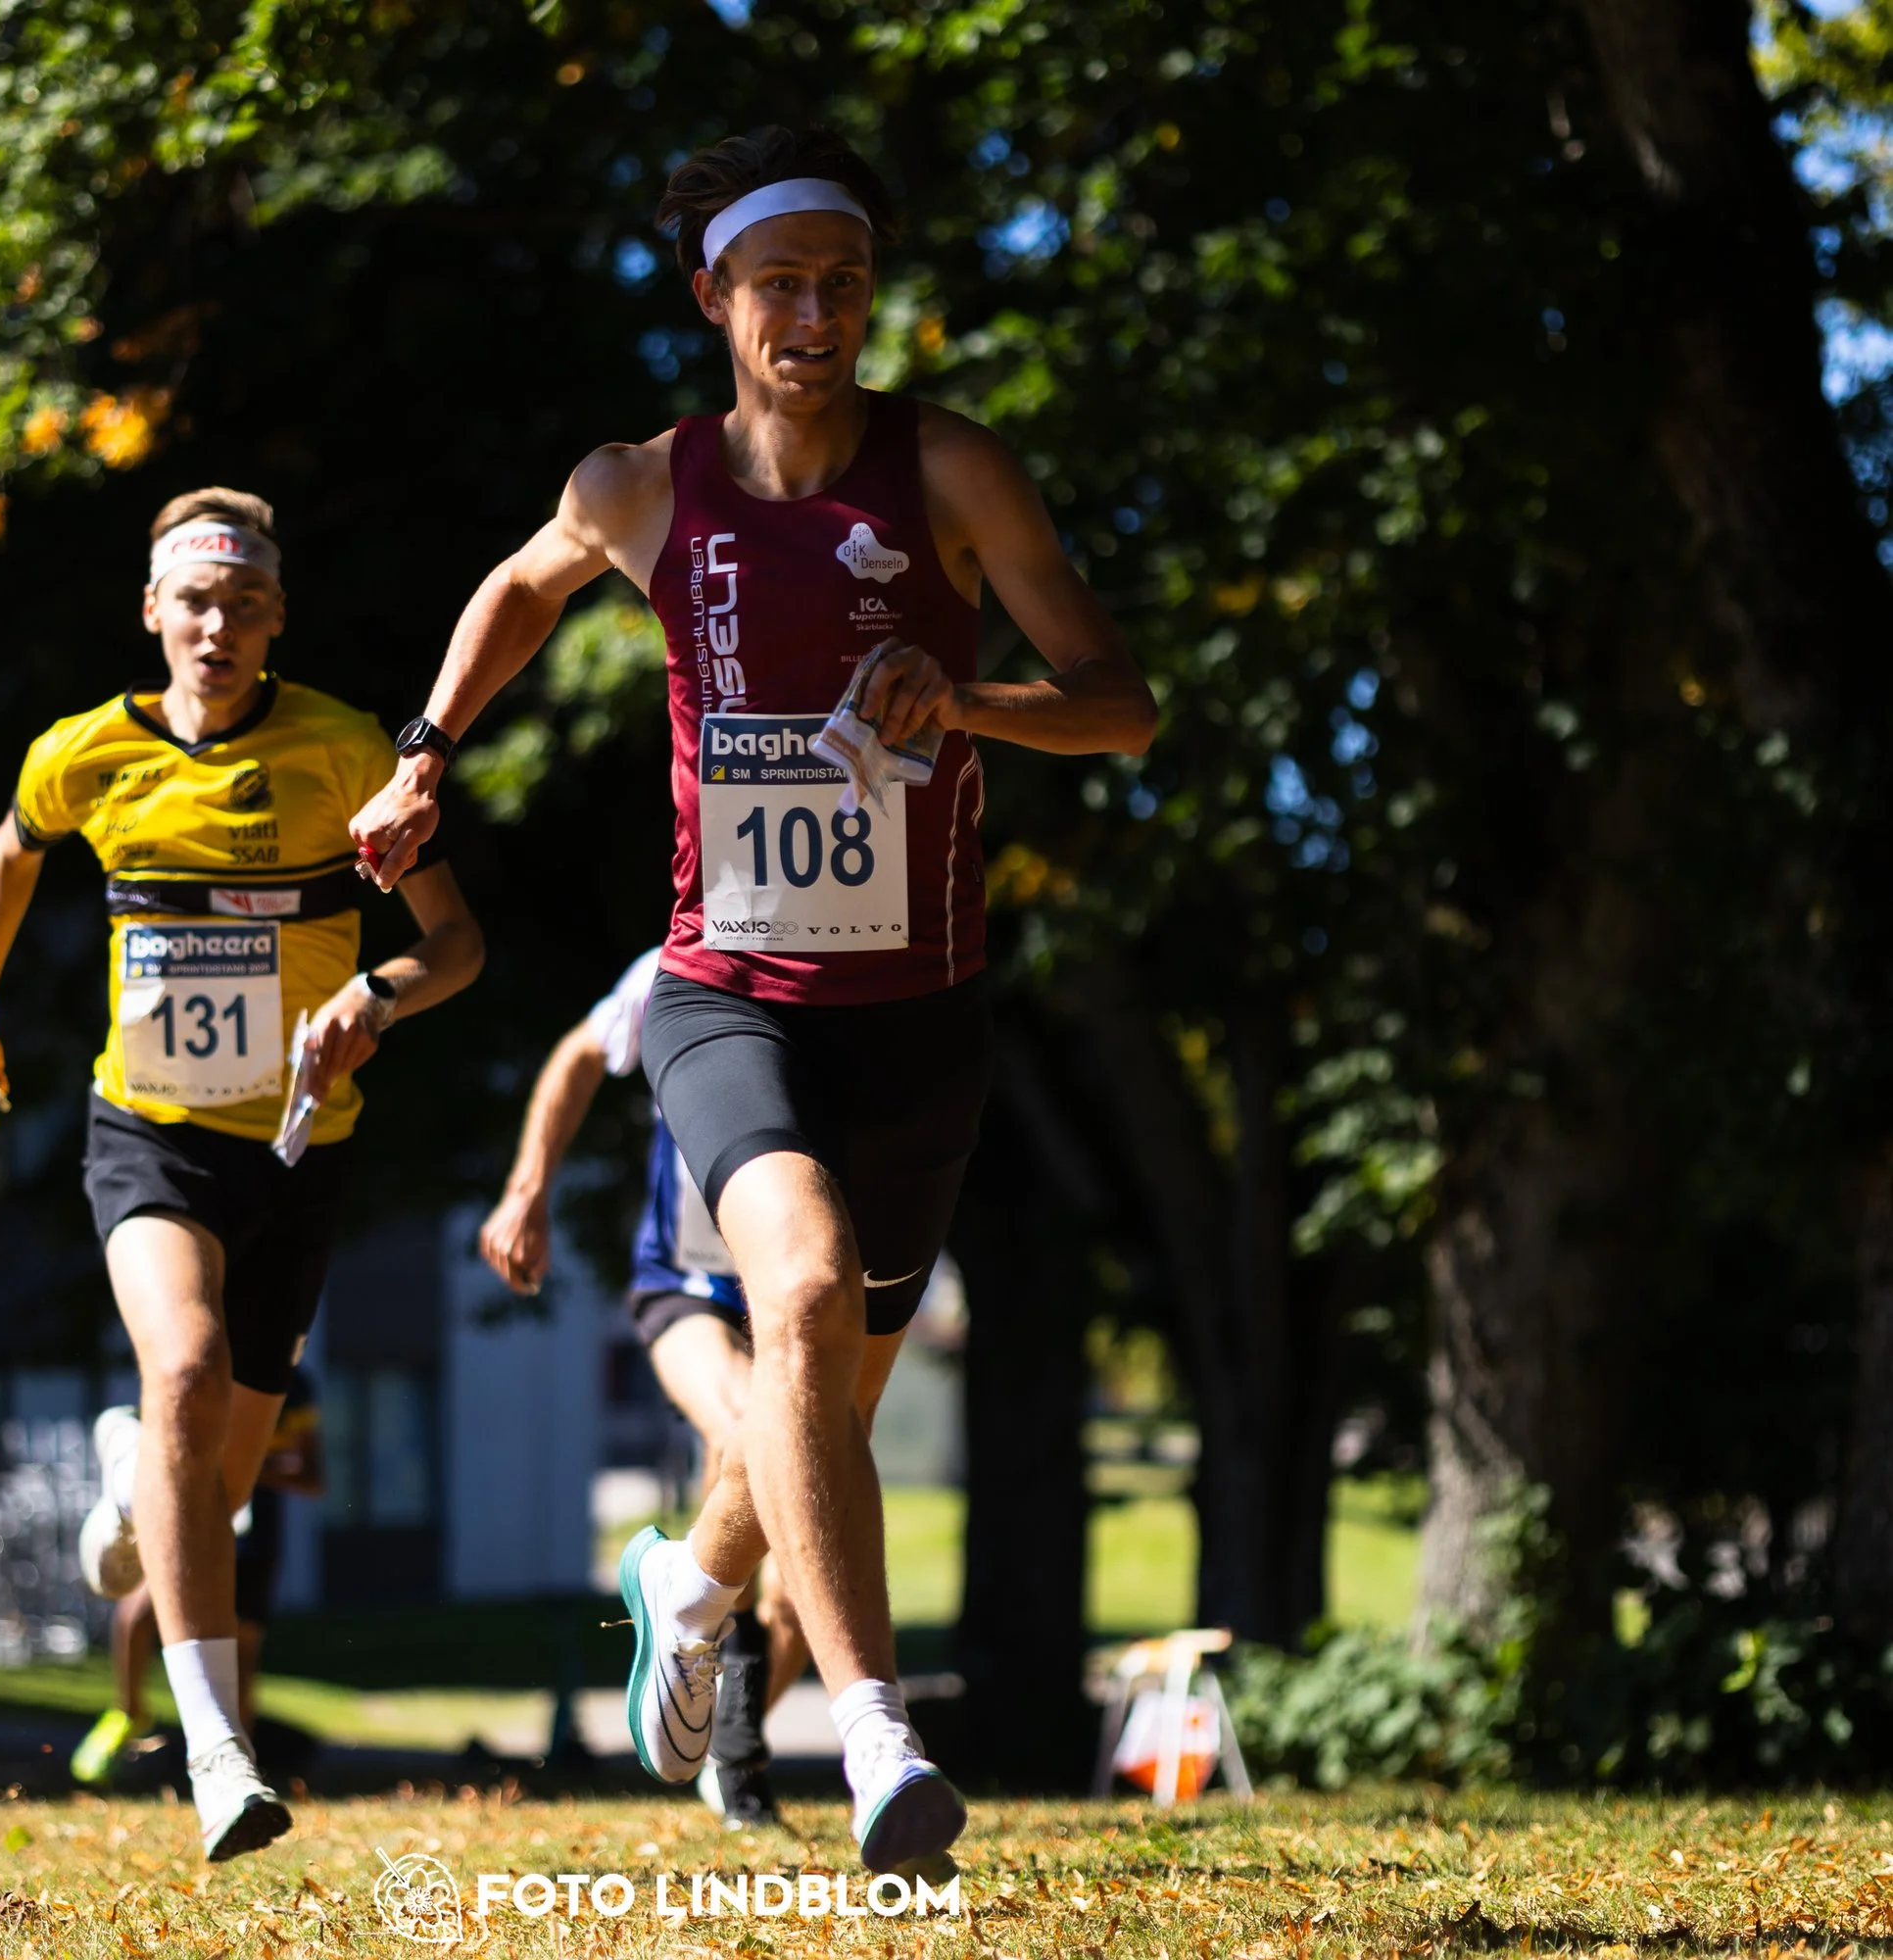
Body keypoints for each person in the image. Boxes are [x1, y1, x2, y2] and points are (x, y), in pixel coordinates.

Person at [352, 127, 1156, 1878]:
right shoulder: (645, 483)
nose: (817, 313)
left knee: (822, 1410)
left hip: (924, 1020)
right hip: (732, 998)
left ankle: (691, 1584)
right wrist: (425, 753)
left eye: (846, 283)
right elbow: (517, 587)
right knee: (788, 1295)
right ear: (714, 296)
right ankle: (874, 1743)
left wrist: (974, 703)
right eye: (781, 283)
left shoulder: (949, 469)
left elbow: (1121, 705)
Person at [0, 487, 483, 1861]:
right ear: (153, 614)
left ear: (275, 619)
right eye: (195, 602)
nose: (218, 627)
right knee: (179, 1367)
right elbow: (12, 852)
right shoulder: (89, 755)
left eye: (244, 604)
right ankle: (217, 1751)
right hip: (149, 1133)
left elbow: (456, 944)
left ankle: (135, 1491)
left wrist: (377, 994)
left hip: (301, 1146)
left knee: (218, 1475)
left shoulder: (342, 749)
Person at [478, 945, 806, 1829]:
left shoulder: (846, 970)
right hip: (687, 1289)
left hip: (798, 1296)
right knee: (748, 1429)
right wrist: (528, 1190)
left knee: (808, 1568)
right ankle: (720, 1722)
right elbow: (580, 1054)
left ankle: (722, 1734)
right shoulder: (677, 959)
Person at [73, 1371, 324, 1788]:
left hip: (253, 1530)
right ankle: (129, 1712)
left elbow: (312, 1475)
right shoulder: (196, 1355)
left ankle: (237, 1772)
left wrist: (243, 1465)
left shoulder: (292, 1383)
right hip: (192, 1510)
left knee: (242, 1651)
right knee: (136, 1612)